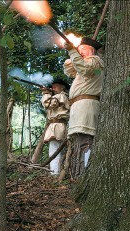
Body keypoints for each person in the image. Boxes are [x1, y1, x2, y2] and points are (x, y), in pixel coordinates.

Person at [63, 37, 104, 178]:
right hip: (79, 107)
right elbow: (69, 70)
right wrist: (73, 52)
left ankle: (87, 175)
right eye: (79, 51)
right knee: (80, 141)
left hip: (87, 105)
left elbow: (84, 69)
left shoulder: (95, 61)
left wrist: (73, 52)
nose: (80, 53)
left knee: (86, 141)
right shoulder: (84, 62)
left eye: (83, 50)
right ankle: (81, 175)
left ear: (91, 50)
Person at [41, 78, 70, 175]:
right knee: (57, 150)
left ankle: (55, 174)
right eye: (52, 85)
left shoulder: (60, 96)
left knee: (54, 150)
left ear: (62, 87)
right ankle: (58, 172)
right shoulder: (59, 96)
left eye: (56, 85)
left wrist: (46, 93)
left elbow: (48, 104)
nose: (53, 87)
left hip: (58, 125)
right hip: (58, 125)